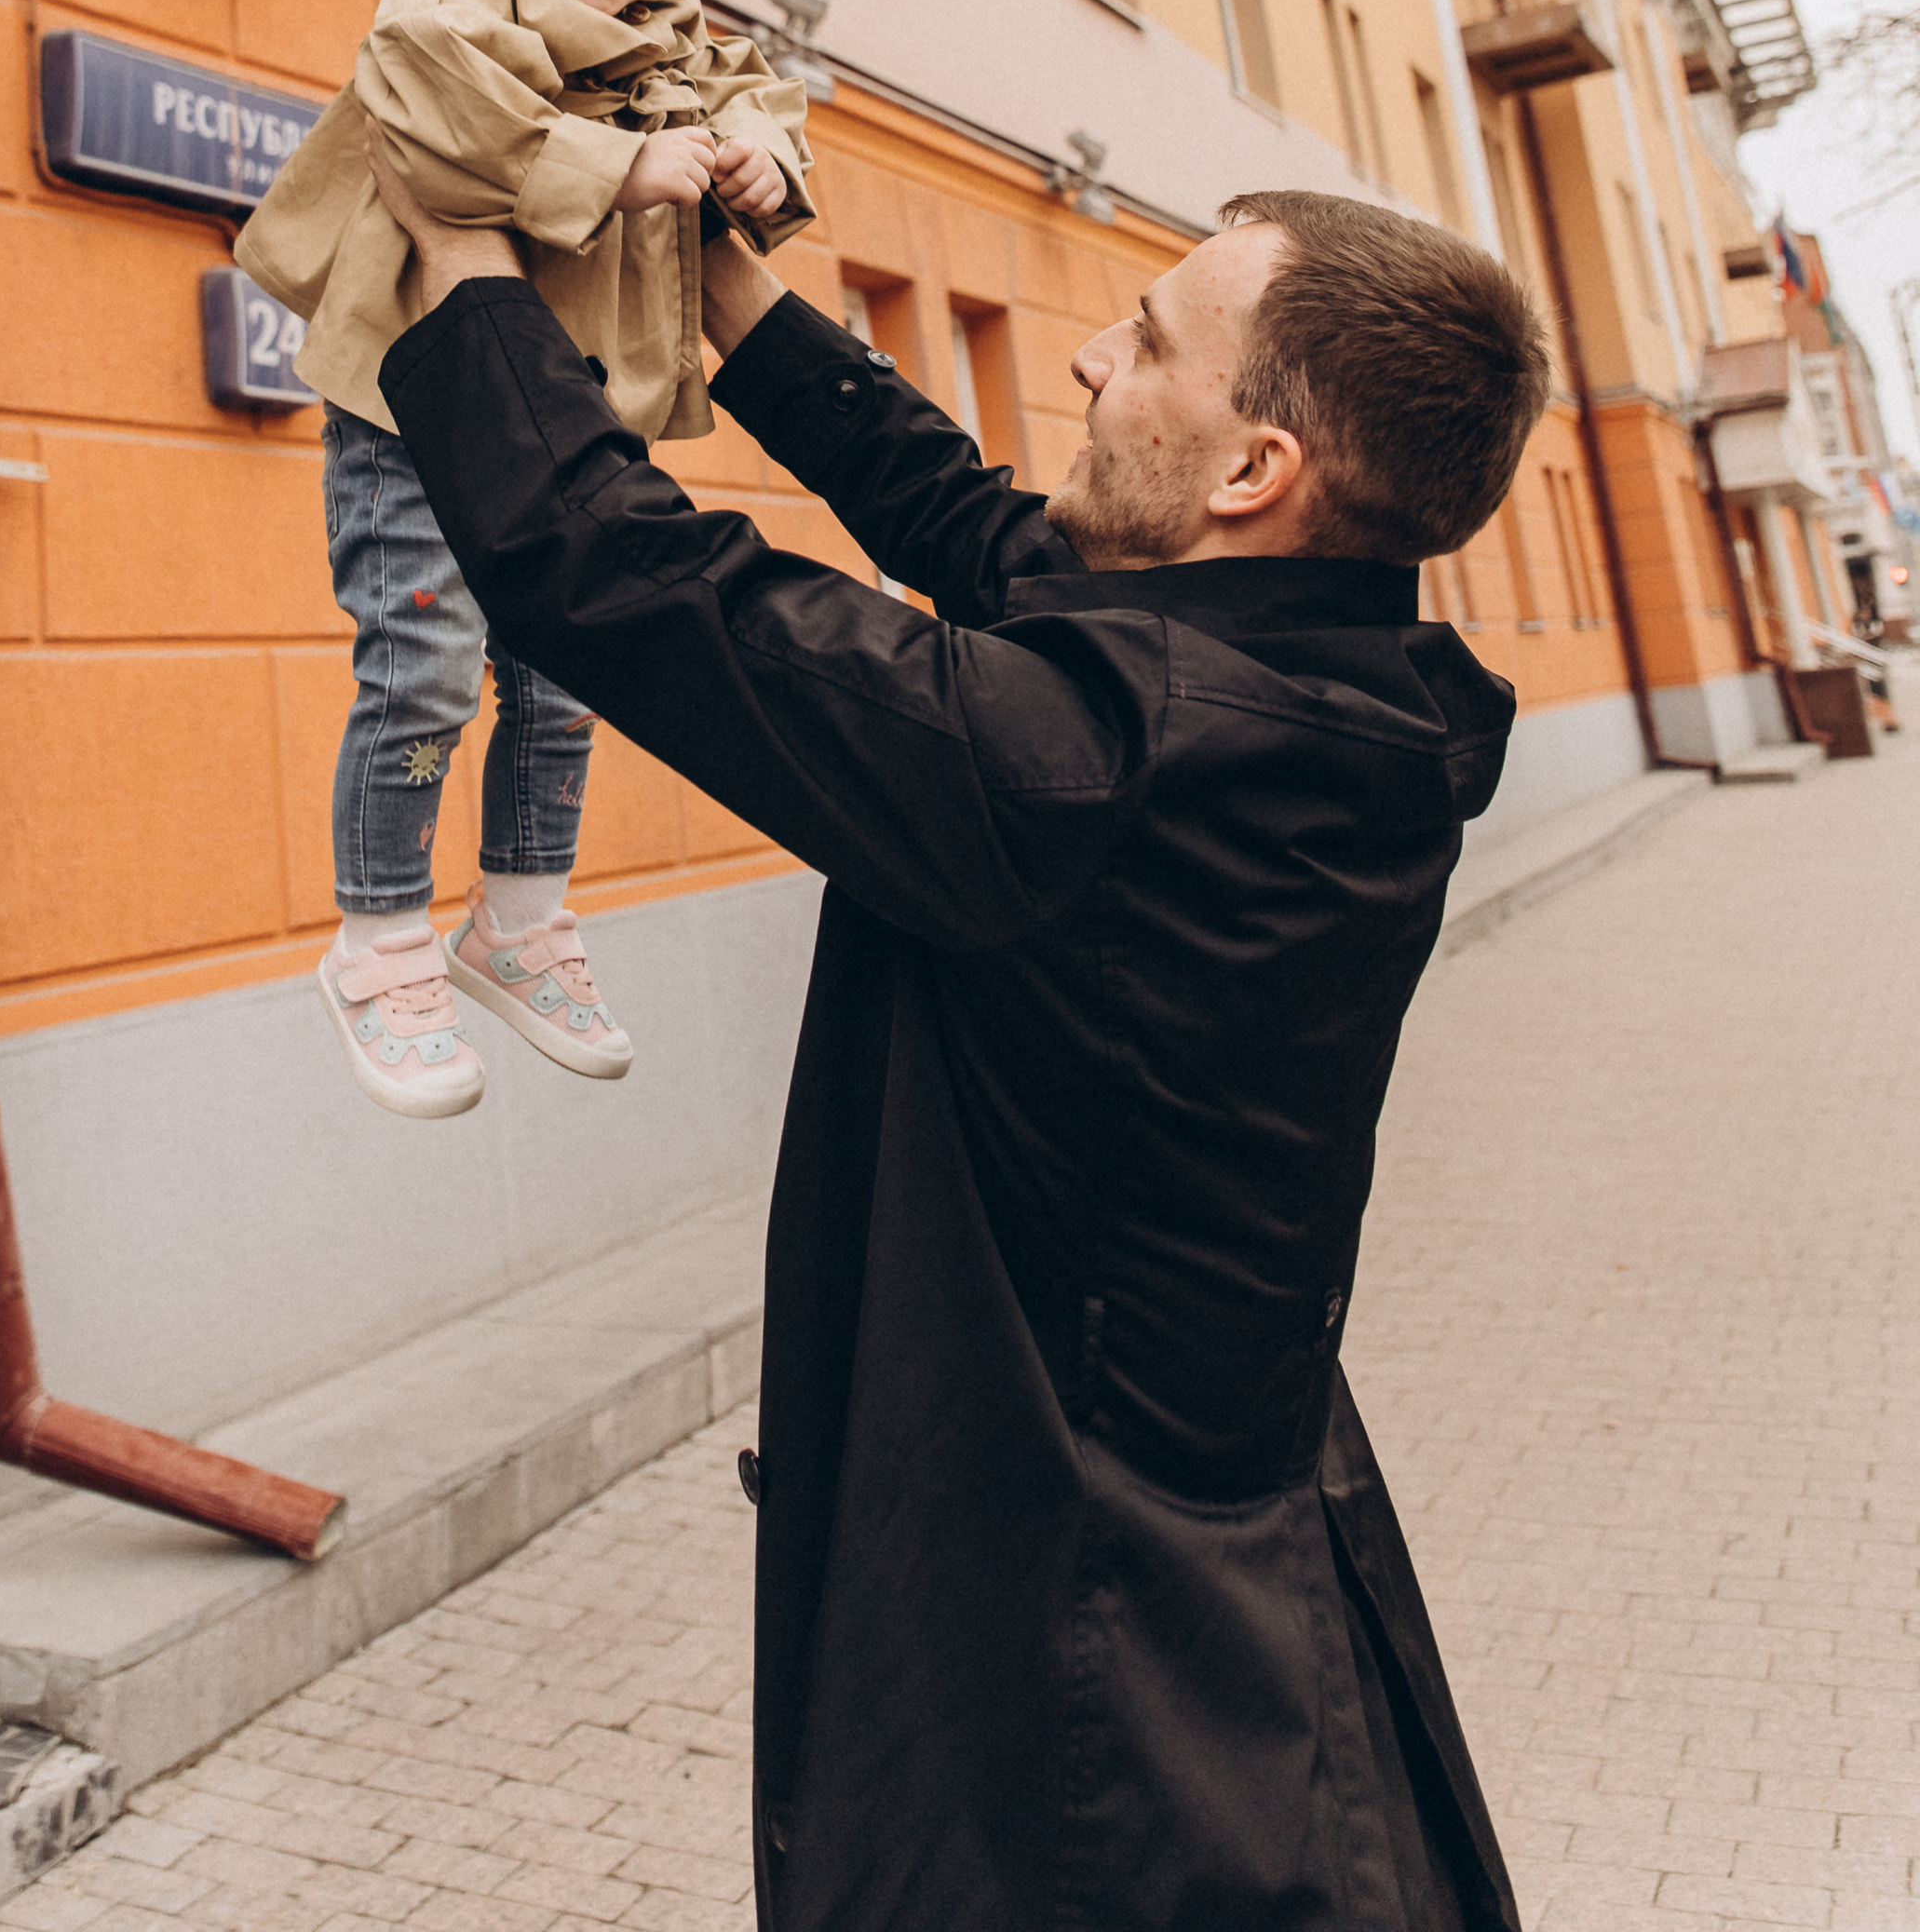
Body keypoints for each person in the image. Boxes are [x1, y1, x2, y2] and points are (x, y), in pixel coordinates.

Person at [361, 141, 1549, 1932]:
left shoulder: (1100, 767)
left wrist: (458, 242)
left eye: (1145, 347)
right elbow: (983, 536)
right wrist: (730, 299)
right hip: (1226, 1547)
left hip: (1083, 1681)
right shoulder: (1320, 692)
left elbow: (626, 579)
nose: (1088, 362)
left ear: (1254, 469)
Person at [237, 0, 810, 1121]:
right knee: (424, 675)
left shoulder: (677, 38)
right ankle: (379, 946)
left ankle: (519, 922)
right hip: (416, 414)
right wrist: (621, 170)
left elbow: (768, 101)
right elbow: (441, 120)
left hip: (563, 430)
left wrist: (754, 160)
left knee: (568, 679)